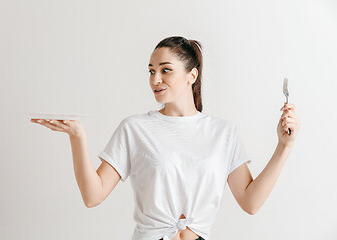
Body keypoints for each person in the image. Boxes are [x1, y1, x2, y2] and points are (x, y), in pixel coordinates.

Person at [30, 36, 301, 240]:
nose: (155, 79)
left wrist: (284, 147)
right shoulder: (135, 128)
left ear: (191, 76)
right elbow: (92, 196)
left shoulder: (223, 132)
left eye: (165, 69)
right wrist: (77, 137)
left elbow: (250, 202)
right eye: (151, 70)